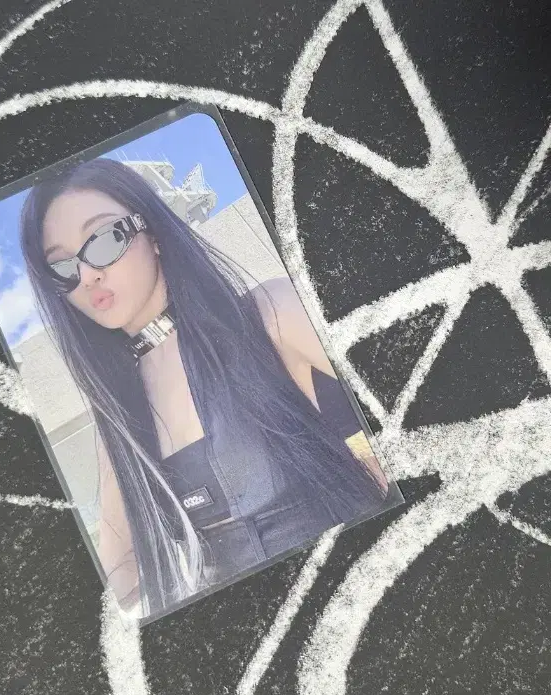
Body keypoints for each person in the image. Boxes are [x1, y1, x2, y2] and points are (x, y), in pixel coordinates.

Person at [20, 157, 389, 618]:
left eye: (105, 239)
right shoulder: (116, 418)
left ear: (153, 234)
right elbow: (119, 573)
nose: (87, 274)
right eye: (61, 266)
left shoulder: (267, 313)